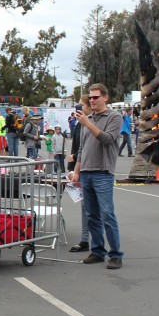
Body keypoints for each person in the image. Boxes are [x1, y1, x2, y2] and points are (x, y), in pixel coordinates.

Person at [70, 84, 123, 269]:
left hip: (103, 172)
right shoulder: (88, 118)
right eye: (90, 98)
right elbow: (82, 148)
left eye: (95, 97)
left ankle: (115, 254)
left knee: (107, 214)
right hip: (86, 172)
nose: (92, 100)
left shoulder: (114, 117)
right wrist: (77, 171)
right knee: (91, 215)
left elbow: (107, 139)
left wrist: (87, 124)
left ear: (105, 97)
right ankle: (98, 251)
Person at [67, 94, 91, 252]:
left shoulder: (92, 123)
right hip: (80, 167)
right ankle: (84, 239)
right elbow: (76, 147)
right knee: (84, 206)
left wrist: (75, 157)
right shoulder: (77, 126)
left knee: (100, 208)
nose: (79, 107)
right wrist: (71, 167)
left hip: (93, 168)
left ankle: (97, 240)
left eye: (81, 104)